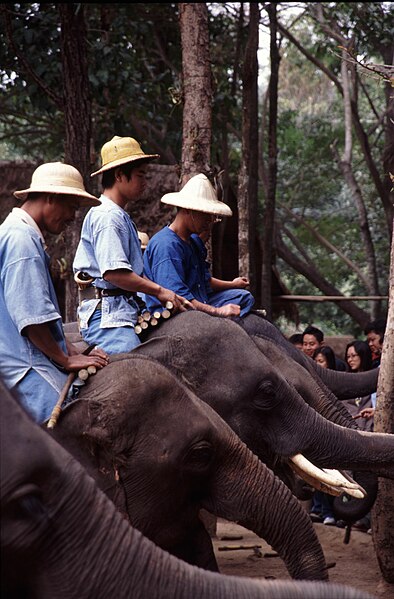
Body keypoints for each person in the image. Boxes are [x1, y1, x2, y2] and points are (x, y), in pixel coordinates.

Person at [0, 162, 109, 423]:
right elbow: (31, 320)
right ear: (51, 198)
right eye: (71, 206)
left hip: (26, 358)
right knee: (75, 425)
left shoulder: (17, 233)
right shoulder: (21, 241)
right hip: (23, 368)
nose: (73, 217)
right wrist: (65, 359)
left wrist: (72, 351)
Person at [72, 136, 189, 355]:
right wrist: (160, 290)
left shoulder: (119, 214)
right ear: (119, 175)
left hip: (124, 308)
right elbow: (115, 274)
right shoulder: (108, 216)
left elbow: (132, 272)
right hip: (105, 317)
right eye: (140, 175)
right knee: (139, 369)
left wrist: (167, 295)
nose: (145, 182)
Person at [142, 173, 255, 318]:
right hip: (178, 310)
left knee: (244, 298)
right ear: (188, 210)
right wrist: (218, 311)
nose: (210, 220)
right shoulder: (166, 245)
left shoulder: (194, 242)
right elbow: (179, 298)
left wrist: (233, 284)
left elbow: (204, 281)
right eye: (205, 214)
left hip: (200, 301)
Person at [342, 339, 375, 533]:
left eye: (354, 355)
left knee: (369, 480)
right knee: (350, 479)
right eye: (348, 356)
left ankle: (367, 519)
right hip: (349, 438)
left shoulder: (374, 381)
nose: (351, 359)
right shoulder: (345, 381)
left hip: (370, 437)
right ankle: (349, 516)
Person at [308, 345, 338, 526]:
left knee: (331, 473)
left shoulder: (333, 382)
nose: (317, 365)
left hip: (332, 435)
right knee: (316, 473)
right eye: (315, 362)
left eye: (321, 362)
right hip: (315, 434)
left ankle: (329, 512)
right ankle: (318, 508)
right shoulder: (311, 381)